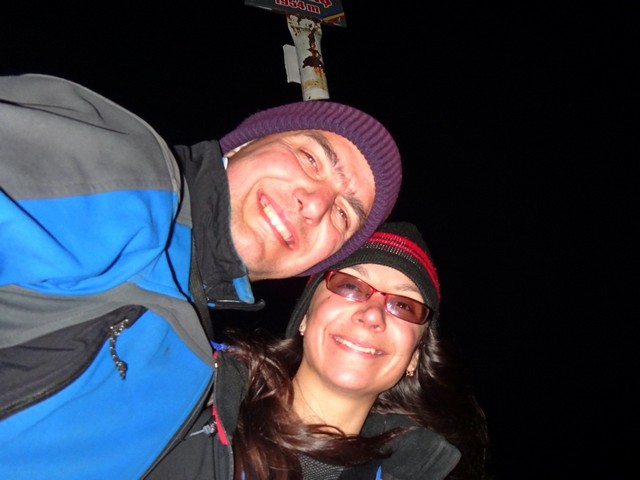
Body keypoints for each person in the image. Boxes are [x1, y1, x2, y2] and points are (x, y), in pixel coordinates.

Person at [0, 73, 402, 479]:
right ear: (244, 144)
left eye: (342, 214)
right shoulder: (131, 182)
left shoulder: (190, 372)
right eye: (310, 159)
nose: (314, 205)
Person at [149, 222, 489, 479]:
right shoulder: (185, 397)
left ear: (414, 357)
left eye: (403, 305)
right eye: (350, 285)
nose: (373, 314)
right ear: (304, 317)